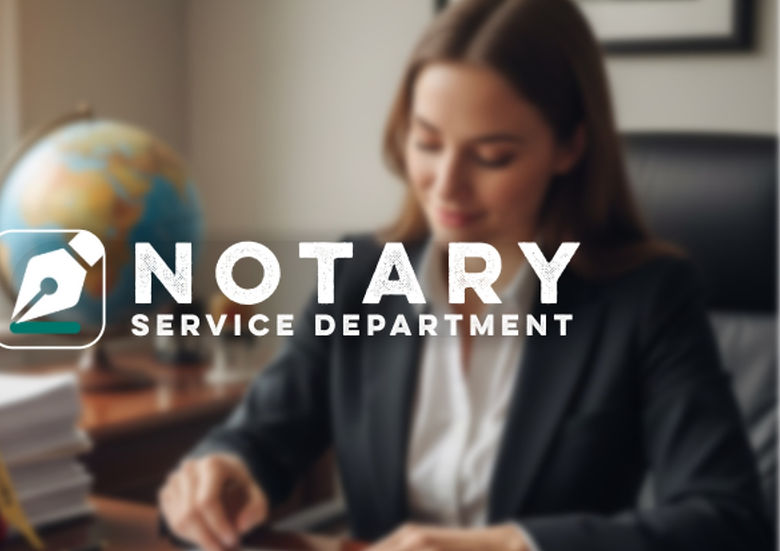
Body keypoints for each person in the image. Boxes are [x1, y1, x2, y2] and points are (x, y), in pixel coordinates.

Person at [157, 0, 772, 550]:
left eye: (492, 157)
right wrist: (225, 471)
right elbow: (261, 435)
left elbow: (727, 520)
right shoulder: (360, 275)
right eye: (426, 144)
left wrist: (511, 546)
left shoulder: (646, 298)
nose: (446, 186)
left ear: (569, 148)